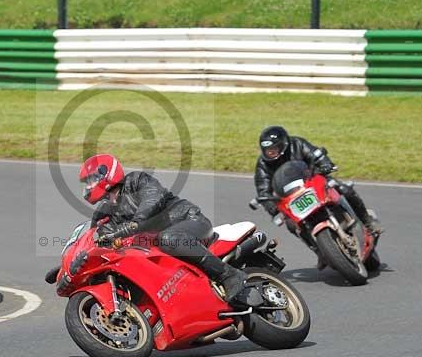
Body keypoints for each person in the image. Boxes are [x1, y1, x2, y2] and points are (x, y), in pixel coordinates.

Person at [79, 153, 259, 305]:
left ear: (106, 174)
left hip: (189, 221)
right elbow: (96, 236)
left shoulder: (136, 180)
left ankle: (229, 275)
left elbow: (154, 198)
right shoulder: (105, 212)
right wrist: (74, 263)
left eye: (91, 180)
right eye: (86, 183)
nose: (88, 186)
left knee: (169, 238)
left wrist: (136, 222)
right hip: (159, 246)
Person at [253, 126, 383, 243]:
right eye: (267, 150)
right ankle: (319, 249)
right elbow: (263, 190)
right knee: (291, 224)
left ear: (283, 144)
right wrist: (273, 208)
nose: (270, 152)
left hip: (313, 181)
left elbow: (315, 154)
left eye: (273, 149)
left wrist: (325, 164)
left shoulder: (297, 144)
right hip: (292, 196)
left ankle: (367, 221)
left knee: (344, 189)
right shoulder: (263, 164)